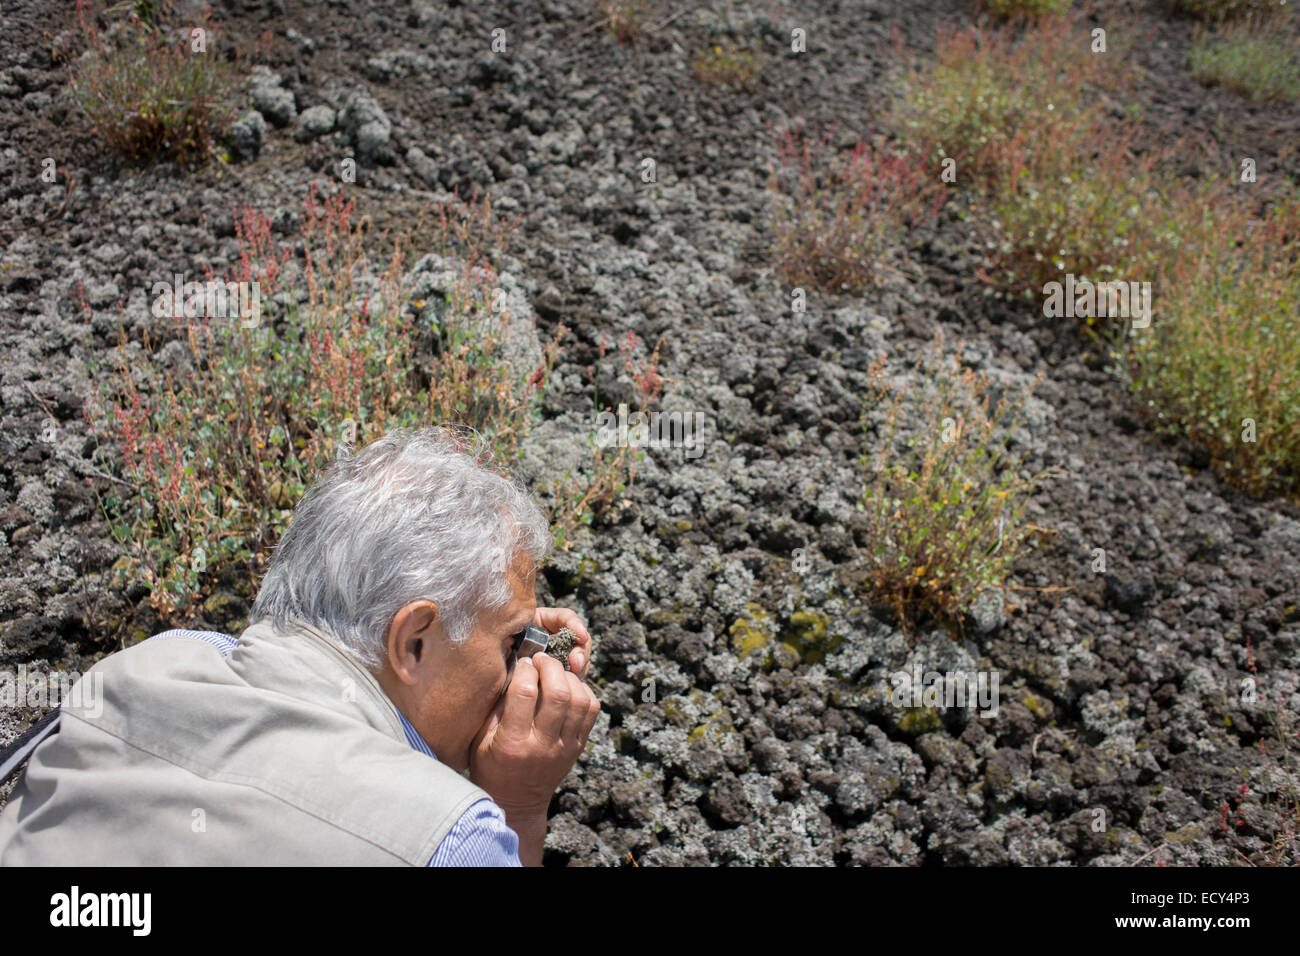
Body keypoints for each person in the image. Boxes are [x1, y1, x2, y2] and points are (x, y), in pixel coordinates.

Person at [0, 427, 600, 865]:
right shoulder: (449, 840)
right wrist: (517, 804)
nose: (522, 667)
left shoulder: (152, 662)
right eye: (514, 641)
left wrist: (492, 631)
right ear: (414, 643)